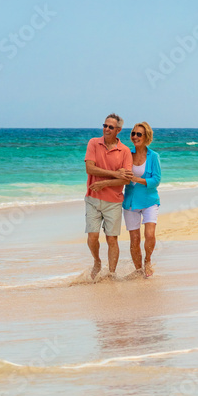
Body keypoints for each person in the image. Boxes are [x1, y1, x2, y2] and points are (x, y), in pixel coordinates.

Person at [91, 121, 161, 277]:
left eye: (139, 134)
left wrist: (137, 179)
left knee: (149, 234)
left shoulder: (154, 156)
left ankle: (147, 261)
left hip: (150, 201)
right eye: (133, 134)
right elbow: (120, 173)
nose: (135, 137)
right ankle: (139, 270)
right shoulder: (126, 153)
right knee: (134, 239)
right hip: (130, 202)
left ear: (146, 137)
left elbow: (156, 180)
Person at [84, 114, 133, 279]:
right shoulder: (93, 143)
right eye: (105, 125)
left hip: (113, 202)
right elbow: (90, 169)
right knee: (93, 237)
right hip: (92, 198)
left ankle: (111, 274)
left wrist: (104, 183)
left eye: (110, 127)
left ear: (118, 130)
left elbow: (126, 179)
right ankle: (97, 261)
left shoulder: (125, 151)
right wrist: (113, 174)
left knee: (112, 240)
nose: (106, 129)